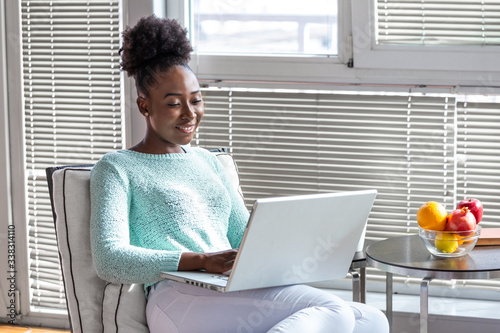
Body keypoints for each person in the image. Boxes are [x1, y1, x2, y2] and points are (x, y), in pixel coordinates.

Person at [90, 14, 389, 333]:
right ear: (144, 105)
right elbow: (110, 259)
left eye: (196, 100)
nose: (190, 114)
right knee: (333, 310)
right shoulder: (116, 167)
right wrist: (201, 261)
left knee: (371, 319)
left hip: (227, 291)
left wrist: (301, 243)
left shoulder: (207, 162)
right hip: (176, 297)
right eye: (175, 104)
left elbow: (245, 236)